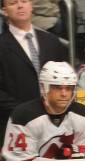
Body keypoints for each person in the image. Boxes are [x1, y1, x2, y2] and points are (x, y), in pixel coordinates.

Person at [0, 0, 67, 146]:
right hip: (14, 126)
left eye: (24, 1)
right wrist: (25, 112)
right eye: (13, 3)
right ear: (4, 10)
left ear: (31, 6)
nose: (20, 5)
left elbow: (65, 81)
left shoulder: (52, 41)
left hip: (55, 125)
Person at [2, 61, 85, 161]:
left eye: (68, 88)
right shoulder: (24, 116)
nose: (64, 94)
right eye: (58, 88)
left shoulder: (84, 115)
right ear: (43, 88)